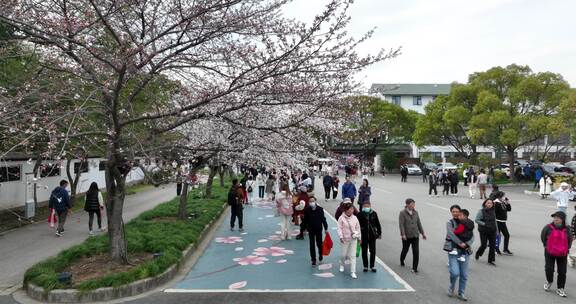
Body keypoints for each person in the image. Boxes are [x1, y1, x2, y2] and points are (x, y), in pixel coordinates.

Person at [541, 211, 573, 298]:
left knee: (562, 271)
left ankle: (560, 288)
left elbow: (570, 240)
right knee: (549, 269)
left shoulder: (567, 229)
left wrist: (566, 249)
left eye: (557, 218)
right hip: (549, 252)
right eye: (554, 218)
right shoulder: (548, 228)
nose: (555, 219)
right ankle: (549, 281)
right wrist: (546, 246)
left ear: (562, 220)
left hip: (562, 253)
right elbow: (543, 237)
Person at [446, 205, 473, 301]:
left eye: (457, 211)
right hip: (453, 251)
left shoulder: (468, 222)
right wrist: (460, 243)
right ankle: (451, 287)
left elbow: (472, 236)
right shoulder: (450, 223)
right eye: (453, 211)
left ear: (460, 212)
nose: (455, 213)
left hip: (465, 251)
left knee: (464, 274)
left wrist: (466, 244)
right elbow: (451, 234)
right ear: (451, 212)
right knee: (455, 272)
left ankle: (461, 292)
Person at [398, 198, 427, 273]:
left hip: (415, 235)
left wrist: (423, 233)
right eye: (411, 204)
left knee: (416, 251)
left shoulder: (416, 212)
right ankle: (402, 259)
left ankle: (414, 268)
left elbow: (419, 223)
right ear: (407, 204)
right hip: (406, 236)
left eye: (414, 204)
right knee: (405, 250)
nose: (413, 206)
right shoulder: (402, 213)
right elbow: (401, 225)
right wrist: (403, 234)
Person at [337, 202, 361, 279]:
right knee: (343, 255)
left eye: (352, 209)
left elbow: (358, 228)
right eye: (350, 209)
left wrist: (359, 238)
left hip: (353, 239)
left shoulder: (355, 218)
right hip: (344, 239)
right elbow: (339, 228)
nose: (351, 210)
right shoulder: (341, 218)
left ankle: (353, 271)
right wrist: (341, 237)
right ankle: (342, 264)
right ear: (346, 210)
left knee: (352, 256)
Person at [302, 197, 328, 266]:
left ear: (315, 201)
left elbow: (323, 219)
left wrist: (326, 228)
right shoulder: (307, 210)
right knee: (312, 245)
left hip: (319, 229)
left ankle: (320, 253)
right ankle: (313, 259)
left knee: (319, 244)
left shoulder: (320, 209)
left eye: (312, 201)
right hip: (310, 230)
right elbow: (305, 220)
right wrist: (303, 229)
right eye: (310, 201)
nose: (311, 203)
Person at [357, 201, 382, 272]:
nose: (366, 207)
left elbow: (378, 224)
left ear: (370, 206)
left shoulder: (374, 213)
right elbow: (357, 226)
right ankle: (365, 266)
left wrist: (379, 233)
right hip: (363, 236)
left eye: (368, 206)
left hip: (372, 236)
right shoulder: (360, 214)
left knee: (373, 251)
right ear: (362, 207)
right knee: (364, 251)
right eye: (365, 206)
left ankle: (372, 266)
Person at [475, 199, 497, 266]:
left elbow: (495, 221)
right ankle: (478, 253)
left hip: (492, 230)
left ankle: (490, 260)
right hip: (483, 230)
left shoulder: (493, 211)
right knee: (484, 245)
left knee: (492, 246)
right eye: (488, 203)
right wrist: (485, 224)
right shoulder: (481, 211)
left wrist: (497, 230)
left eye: (491, 203)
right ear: (485, 204)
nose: (489, 204)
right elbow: (477, 220)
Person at [493, 191, 513, 255]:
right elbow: (494, 213)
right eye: (503, 196)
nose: (505, 197)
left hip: (503, 222)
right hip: (497, 222)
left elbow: (509, 209)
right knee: (497, 236)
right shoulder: (496, 203)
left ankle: (505, 249)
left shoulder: (503, 202)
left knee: (507, 235)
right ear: (499, 197)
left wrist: (508, 203)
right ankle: (496, 249)